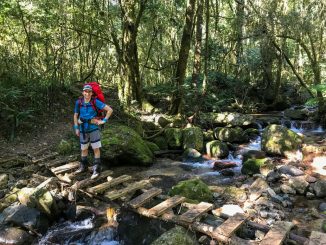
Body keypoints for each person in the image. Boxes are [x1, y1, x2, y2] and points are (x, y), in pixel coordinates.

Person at [73, 84, 113, 179]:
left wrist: (103, 121)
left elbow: (110, 110)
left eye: (89, 92)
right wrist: (76, 127)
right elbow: (75, 115)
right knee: (84, 148)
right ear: (83, 92)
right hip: (82, 128)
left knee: (96, 148)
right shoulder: (79, 102)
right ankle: (83, 166)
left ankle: (96, 169)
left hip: (93, 128)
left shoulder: (95, 102)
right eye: (85, 91)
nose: (87, 93)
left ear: (91, 93)